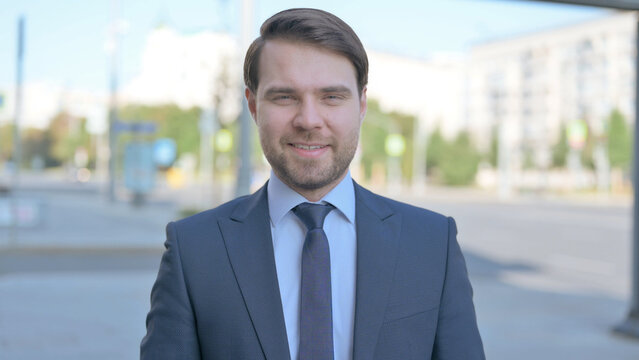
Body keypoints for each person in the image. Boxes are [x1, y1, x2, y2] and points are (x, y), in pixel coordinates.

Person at [141, 8, 484, 360]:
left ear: (362, 104)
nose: (308, 120)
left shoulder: (431, 243)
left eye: (332, 97)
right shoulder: (194, 249)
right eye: (284, 97)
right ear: (254, 105)